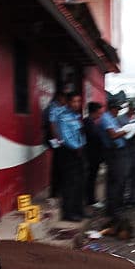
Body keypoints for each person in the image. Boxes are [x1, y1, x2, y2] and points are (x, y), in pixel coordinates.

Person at [54, 93, 87, 221]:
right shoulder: (62, 116)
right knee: (70, 184)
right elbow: (66, 137)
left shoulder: (77, 116)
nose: (77, 104)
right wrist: (77, 147)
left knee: (80, 183)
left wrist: (82, 146)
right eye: (74, 101)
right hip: (69, 152)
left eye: (79, 101)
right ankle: (68, 213)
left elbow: (81, 134)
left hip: (79, 151)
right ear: (68, 102)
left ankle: (79, 210)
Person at [99, 95, 130, 216]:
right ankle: (112, 210)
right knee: (115, 181)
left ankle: (115, 207)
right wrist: (126, 131)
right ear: (111, 108)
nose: (118, 111)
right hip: (113, 153)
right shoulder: (106, 118)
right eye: (117, 109)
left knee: (118, 180)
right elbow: (113, 135)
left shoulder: (112, 118)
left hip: (118, 152)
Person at [82, 101, 106, 209]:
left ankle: (91, 199)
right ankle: (90, 200)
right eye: (99, 113)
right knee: (90, 178)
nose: (100, 115)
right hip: (91, 156)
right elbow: (93, 139)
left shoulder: (92, 122)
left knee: (92, 178)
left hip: (94, 156)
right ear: (94, 112)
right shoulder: (88, 122)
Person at [44, 91, 67, 198]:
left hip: (60, 141)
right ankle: (54, 193)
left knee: (60, 166)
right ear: (59, 97)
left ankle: (58, 191)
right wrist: (59, 140)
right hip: (57, 142)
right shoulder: (54, 108)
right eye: (64, 98)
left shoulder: (60, 107)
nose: (65, 101)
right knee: (57, 166)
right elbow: (52, 125)